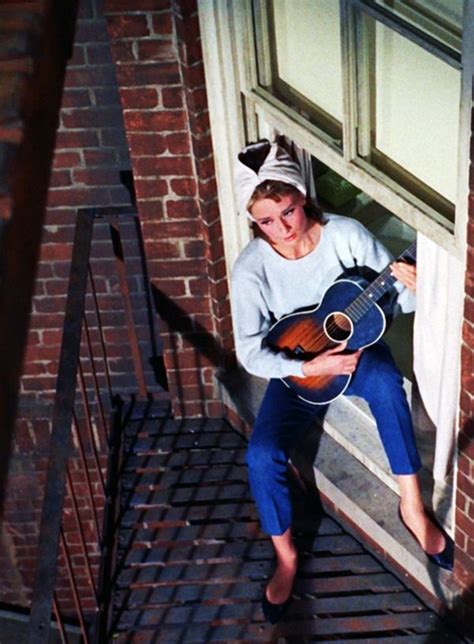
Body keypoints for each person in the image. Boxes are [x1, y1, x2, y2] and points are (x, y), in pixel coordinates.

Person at [231, 140, 454, 624]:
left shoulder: (346, 234)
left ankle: (413, 508)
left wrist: (420, 286)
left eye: (287, 212)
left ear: (302, 198)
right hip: (298, 376)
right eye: (267, 221)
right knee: (260, 453)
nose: (281, 229)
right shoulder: (252, 267)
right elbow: (249, 350)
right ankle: (287, 555)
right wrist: (306, 368)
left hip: (355, 357)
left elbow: (398, 305)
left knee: (387, 383)